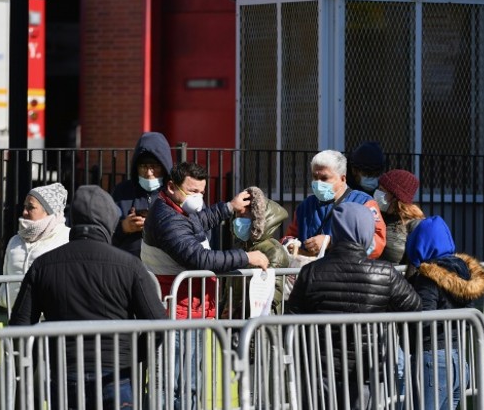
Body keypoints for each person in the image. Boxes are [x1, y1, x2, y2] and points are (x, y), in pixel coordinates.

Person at [10, 185, 167, 408]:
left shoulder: (43, 265)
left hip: (66, 372)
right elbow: (159, 323)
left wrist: (46, 354)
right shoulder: (130, 265)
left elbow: (19, 326)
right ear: (109, 219)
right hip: (117, 370)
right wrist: (134, 354)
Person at [140, 161, 269, 410]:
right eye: (192, 191)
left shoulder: (177, 208)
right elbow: (200, 259)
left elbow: (199, 221)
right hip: (175, 311)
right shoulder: (167, 219)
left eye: (201, 192)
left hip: (192, 306)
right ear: (171, 187)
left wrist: (229, 208)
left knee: (191, 384)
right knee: (171, 388)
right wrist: (246, 257)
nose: (198, 198)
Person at [287, 202, 422, 410]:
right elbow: (415, 309)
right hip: (366, 371)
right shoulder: (385, 273)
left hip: (319, 370)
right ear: (367, 231)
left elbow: (291, 318)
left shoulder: (311, 272)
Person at [404, 216, 484, 410]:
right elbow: (468, 315)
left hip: (433, 359)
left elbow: (423, 317)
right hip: (458, 359)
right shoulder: (463, 271)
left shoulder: (428, 276)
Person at [283, 150, 386, 259]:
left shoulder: (364, 203)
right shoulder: (305, 206)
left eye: (324, 178)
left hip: (347, 272)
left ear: (342, 179)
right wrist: (290, 244)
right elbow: (290, 236)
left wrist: (331, 242)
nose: (318, 183)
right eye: (315, 177)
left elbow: (377, 244)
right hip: (311, 272)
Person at [0, 182, 70, 310]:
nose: (24, 212)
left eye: (31, 207)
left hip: (50, 318)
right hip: (15, 315)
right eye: (24, 206)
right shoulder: (15, 240)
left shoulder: (67, 237)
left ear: (49, 211)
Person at [222, 186, 290, 319]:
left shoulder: (274, 251)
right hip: (236, 324)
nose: (238, 221)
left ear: (257, 219)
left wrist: (236, 310)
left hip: (261, 328)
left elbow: (272, 295)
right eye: (237, 215)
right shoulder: (240, 248)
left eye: (244, 215)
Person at [112, 131, 173, 257]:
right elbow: (105, 234)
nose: (149, 173)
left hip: (165, 265)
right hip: (128, 264)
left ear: (164, 166)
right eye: (143, 166)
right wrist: (124, 227)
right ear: (136, 167)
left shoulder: (175, 192)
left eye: (154, 166)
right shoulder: (122, 191)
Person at [376, 169, 425, 264]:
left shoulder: (414, 224)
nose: (377, 193)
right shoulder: (376, 216)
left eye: (381, 190)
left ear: (395, 197)